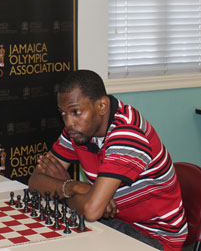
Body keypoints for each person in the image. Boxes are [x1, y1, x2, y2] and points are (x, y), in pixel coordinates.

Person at [29, 70, 187, 250]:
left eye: (76, 112)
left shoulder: (127, 134)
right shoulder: (78, 130)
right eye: (63, 113)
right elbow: (35, 182)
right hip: (113, 223)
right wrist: (74, 187)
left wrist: (63, 189)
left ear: (102, 106)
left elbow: (91, 210)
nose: (68, 122)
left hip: (153, 238)